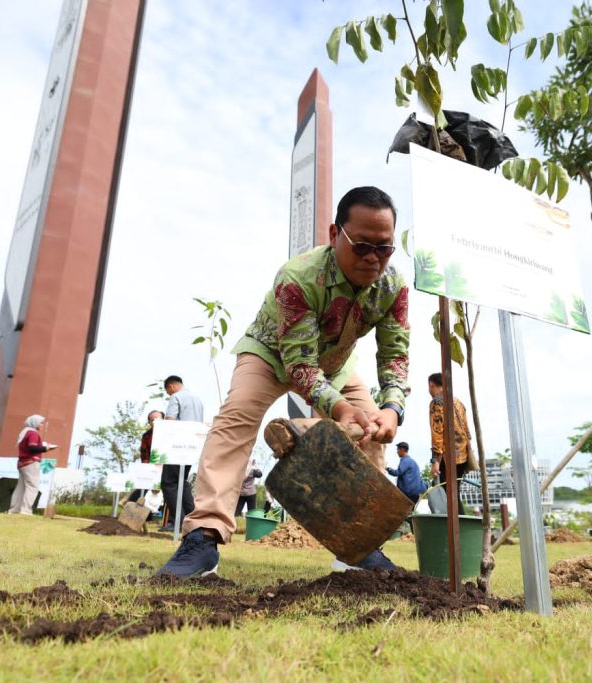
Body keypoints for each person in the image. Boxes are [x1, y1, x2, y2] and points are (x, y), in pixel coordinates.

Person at [157, 186, 409, 577]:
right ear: (334, 234)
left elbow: (394, 354)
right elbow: (301, 367)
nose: (373, 258)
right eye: (361, 245)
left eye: (384, 248)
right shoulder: (298, 277)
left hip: (336, 364)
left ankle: (358, 548)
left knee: (372, 427)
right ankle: (203, 537)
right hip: (271, 354)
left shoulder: (393, 287)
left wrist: (392, 409)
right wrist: (342, 409)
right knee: (236, 417)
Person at [159, 375, 204, 532]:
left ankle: (178, 522)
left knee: (168, 483)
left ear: (171, 386)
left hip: (177, 446)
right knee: (181, 482)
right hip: (193, 446)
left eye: (168, 392)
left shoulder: (176, 397)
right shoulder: (197, 400)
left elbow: (170, 421)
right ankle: (191, 519)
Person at [428, 372, 474, 507]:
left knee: (448, 496)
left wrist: (436, 460)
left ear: (432, 385)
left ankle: (457, 527)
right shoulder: (458, 402)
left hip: (447, 456)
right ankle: (460, 525)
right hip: (463, 456)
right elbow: (467, 431)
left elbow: (437, 432)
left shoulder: (437, 403)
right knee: (454, 494)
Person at [9, 415, 56, 515]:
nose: (42, 425)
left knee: (21, 487)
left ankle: (14, 510)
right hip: (31, 462)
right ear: (34, 423)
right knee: (32, 486)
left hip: (22, 463)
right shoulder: (33, 433)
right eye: (41, 422)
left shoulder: (25, 432)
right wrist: (46, 448)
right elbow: (32, 448)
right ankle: (26, 510)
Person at [128, 409, 164, 506]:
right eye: (152, 420)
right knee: (143, 488)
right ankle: (131, 506)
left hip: (168, 468)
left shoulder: (170, 434)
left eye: (158, 418)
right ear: (149, 422)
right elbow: (144, 454)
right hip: (152, 467)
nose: (155, 421)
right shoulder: (146, 436)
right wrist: (148, 468)